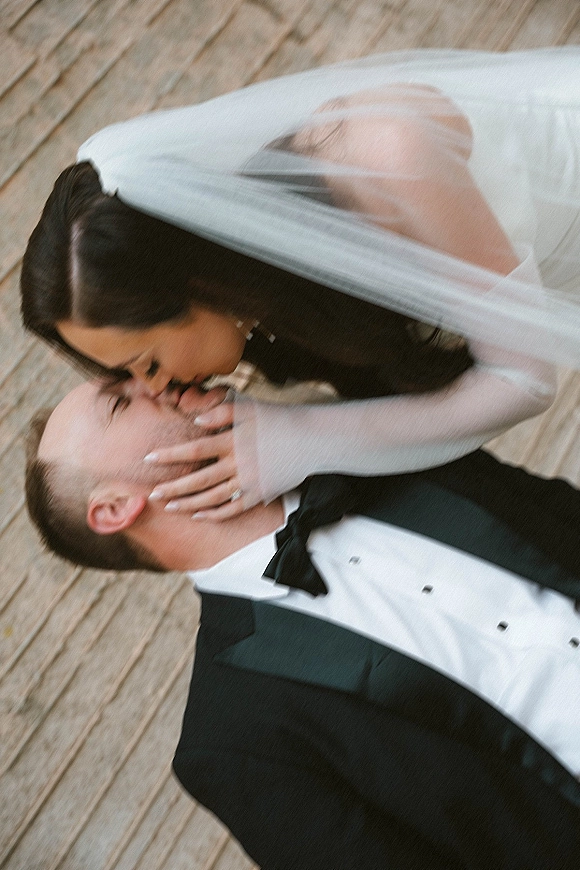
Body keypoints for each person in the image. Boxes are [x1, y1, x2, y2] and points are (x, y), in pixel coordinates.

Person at [25, 379, 580, 869]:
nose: (156, 382)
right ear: (115, 507)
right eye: (120, 404)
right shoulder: (229, 740)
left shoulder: (376, 443)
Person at [21, 49, 580, 519]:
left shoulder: (388, 153)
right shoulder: (279, 280)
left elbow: (524, 379)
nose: (157, 389)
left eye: (145, 363)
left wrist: (299, 437)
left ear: (192, 285)